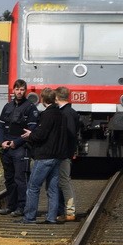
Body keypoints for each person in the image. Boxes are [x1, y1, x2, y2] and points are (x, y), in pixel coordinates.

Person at [21, 87, 66, 224]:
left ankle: (29, 217)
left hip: (44, 156)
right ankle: (51, 217)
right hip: (57, 156)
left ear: (43, 99)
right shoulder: (61, 115)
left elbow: (41, 135)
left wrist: (30, 135)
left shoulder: (47, 115)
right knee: (52, 189)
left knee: (33, 187)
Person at [0, 79, 39, 216]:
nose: (19, 92)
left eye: (22, 90)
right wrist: (2, 141)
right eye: (17, 89)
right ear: (13, 90)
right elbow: (1, 126)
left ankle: (22, 207)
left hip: (20, 148)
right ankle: (10, 205)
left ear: (25, 91)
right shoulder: (7, 106)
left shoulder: (30, 108)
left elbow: (31, 130)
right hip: (7, 148)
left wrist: (17, 142)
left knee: (20, 179)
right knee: (9, 179)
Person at [54, 86, 80, 222]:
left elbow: (69, 134)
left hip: (63, 154)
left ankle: (70, 211)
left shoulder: (66, 113)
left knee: (64, 181)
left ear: (57, 97)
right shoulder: (70, 112)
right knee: (61, 181)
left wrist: (65, 151)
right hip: (65, 152)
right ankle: (63, 210)